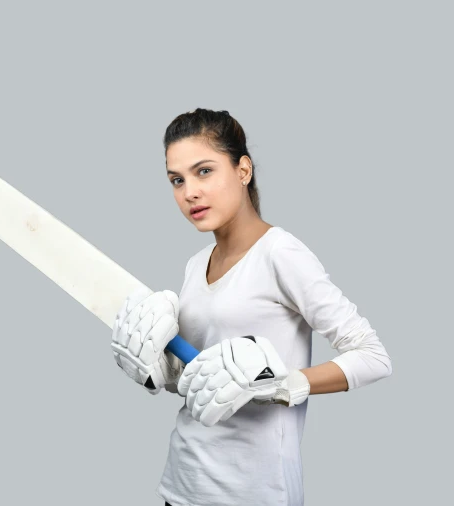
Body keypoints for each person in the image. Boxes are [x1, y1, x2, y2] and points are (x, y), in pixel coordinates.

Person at [110, 108, 393, 506]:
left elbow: (374, 357)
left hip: (255, 493)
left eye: (204, 171)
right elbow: (205, 382)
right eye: (177, 179)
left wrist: (284, 384)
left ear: (243, 170)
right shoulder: (195, 265)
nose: (189, 191)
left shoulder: (281, 254)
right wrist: (158, 370)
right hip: (183, 483)